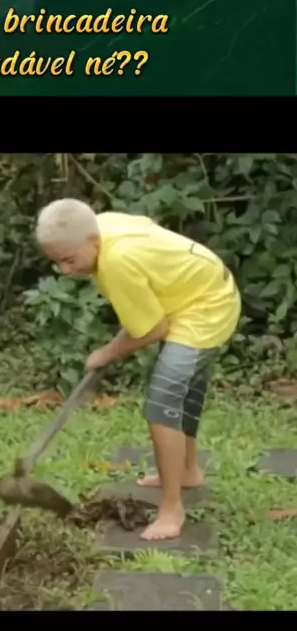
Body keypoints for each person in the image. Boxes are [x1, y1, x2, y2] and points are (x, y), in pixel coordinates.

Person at [35, 197, 241, 540]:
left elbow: (153, 329)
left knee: (162, 407)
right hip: (197, 293)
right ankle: (187, 471)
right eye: (57, 262)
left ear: (93, 241)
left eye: (70, 260)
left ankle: (172, 510)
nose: (66, 271)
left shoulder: (116, 261)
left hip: (206, 308)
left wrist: (107, 353)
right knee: (181, 390)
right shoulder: (101, 226)